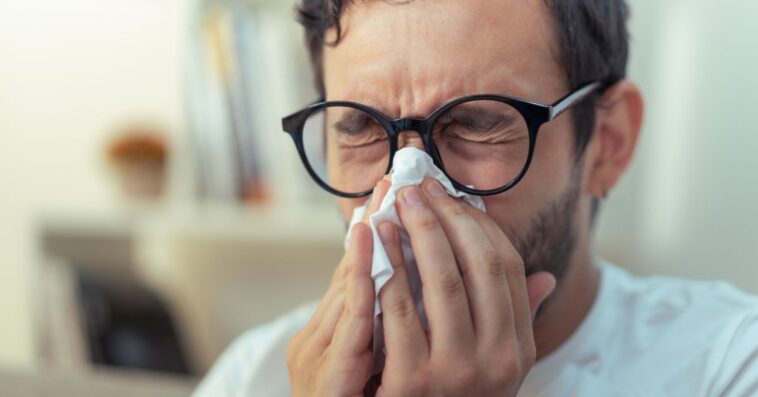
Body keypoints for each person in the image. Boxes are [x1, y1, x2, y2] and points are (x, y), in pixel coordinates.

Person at [194, 1, 758, 396]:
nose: (406, 188)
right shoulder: (255, 375)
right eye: (360, 129)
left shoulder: (727, 366)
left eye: (478, 124)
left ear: (607, 145)